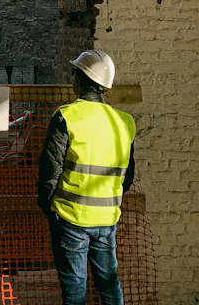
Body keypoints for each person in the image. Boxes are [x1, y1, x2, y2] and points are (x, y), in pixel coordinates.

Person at [37, 50, 135, 305]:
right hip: (106, 219)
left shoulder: (67, 116)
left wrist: (49, 207)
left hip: (71, 218)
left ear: (79, 80)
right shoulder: (125, 122)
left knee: (74, 290)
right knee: (109, 285)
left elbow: (50, 169)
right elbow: (128, 175)